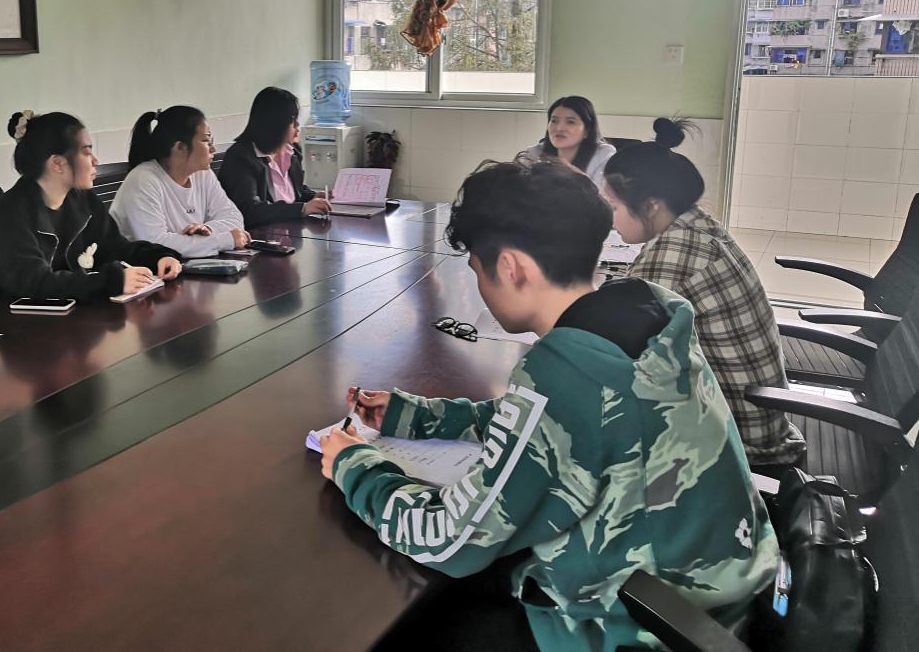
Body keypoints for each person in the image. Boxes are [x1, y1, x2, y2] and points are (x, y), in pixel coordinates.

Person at [319, 159, 778, 652]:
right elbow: (549, 424)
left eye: (477, 271)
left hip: (640, 631)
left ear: (510, 267)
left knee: (414, 621)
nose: (479, 288)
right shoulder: (647, 313)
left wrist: (354, 465)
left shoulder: (562, 375)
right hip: (722, 596)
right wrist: (419, 416)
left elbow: (449, 538)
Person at [602, 118, 805, 472]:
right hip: (760, 419)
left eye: (614, 207)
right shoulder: (695, 224)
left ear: (651, 206)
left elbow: (612, 348)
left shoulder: (675, 251)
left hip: (744, 444)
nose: (610, 219)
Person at [0, 111, 182, 304]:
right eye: (86, 153)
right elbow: (34, 281)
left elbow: (116, 248)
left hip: (64, 316)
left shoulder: (82, 200)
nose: (95, 161)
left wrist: (157, 257)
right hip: (7, 319)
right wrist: (112, 282)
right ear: (57, 163)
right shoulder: (13, 210)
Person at [112, 106, 250, 258]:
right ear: (180, 147)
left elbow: (234, 218)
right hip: (144, 269)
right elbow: (155, 245)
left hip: (184, 265)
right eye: (206, 140)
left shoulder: (203, 174)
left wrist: (207, 230)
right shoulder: (143, 180)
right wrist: (223, 240)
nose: (213, 149)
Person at [218, 87, 331, 227]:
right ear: (275, 123)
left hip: (290, 230)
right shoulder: (241, 157)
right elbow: (249, 210)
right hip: (257, 234)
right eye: (293, 119)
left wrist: (313, 197)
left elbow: (295, 191)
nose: (297, 125)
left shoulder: (292, 151)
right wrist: (302, 209)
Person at [517, 95, 615, 188]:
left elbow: (601, 197)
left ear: (587, 130)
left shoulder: (603, 155)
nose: (559, 128)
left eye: (570, 122)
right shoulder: (534, 153)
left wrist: (569, 170)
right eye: (554, 121)